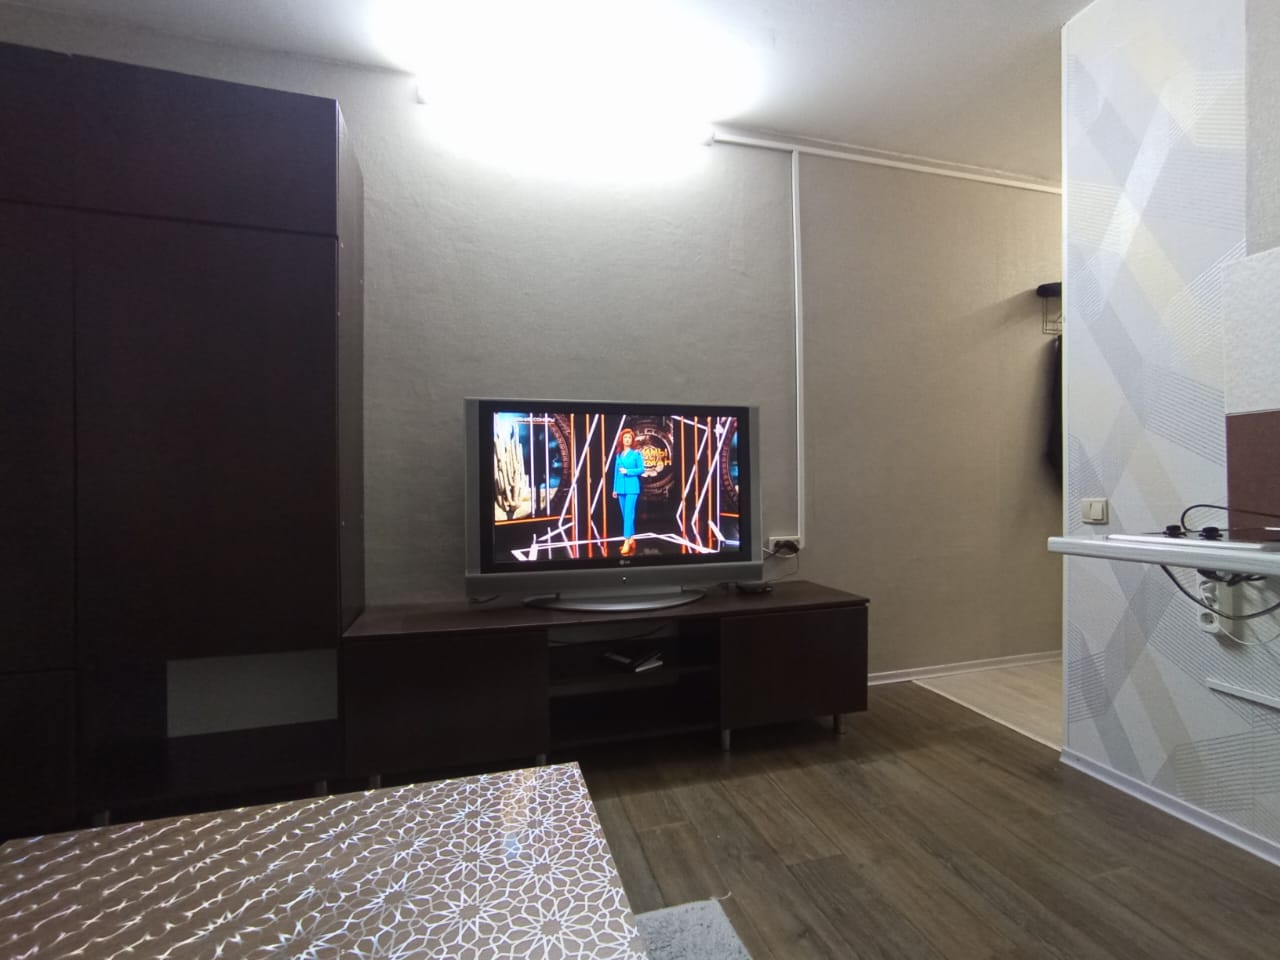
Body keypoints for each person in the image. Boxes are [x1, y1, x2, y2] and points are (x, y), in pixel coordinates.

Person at [612, 427, 645, 556]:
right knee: (625, 515)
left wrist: (628, 471)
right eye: (625, 437)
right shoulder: (618, 454)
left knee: (628, 513)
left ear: (632, 440)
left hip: (632, 487)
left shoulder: (636, 454)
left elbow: (642, 469)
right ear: (622, 439)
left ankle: (626, 541)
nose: (627, 439)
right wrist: (615, 489)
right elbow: (616, 473)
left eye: (629, 438)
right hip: (620, 488)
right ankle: (631, 539)